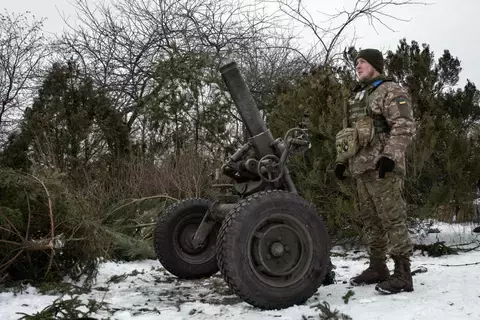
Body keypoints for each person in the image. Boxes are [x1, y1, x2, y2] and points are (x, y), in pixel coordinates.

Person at [334, 48, 416, 294]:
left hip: (383, 168)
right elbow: (351, 136)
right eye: (356, 62)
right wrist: (341, 160)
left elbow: (404, 125)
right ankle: (378, 267)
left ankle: (403, 274)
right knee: (371, 221)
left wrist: (390, 157)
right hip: (361, 168)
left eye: (362, 62)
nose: (357, 66)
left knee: (392, 218)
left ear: (375, 65)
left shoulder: (391, 90)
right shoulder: (358, 96)